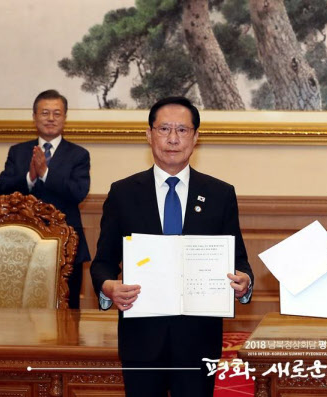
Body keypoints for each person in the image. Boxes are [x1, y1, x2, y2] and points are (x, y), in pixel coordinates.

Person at [90, 96, 253, 396]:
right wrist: (109, 288)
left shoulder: (220, 194)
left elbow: (239, 262)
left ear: (196, 137)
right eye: (164, 129)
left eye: (182, 130)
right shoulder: (123, 193)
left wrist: (244, 282)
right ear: (149, 134)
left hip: (198, 339)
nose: (173, 138)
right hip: (141, 337)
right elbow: (102, 262)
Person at [0, 89, 90, 309]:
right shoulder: (18, 152)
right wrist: (30, 176)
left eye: (56, 113)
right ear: (34, 117)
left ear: (65, 118)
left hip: (66, 247)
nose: (50, 118)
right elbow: (1, 189)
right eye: (45, 112)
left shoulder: (78, 155)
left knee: (67, 311)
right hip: (20, 246)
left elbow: (79, 192)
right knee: (19, 310)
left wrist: (46, 173)